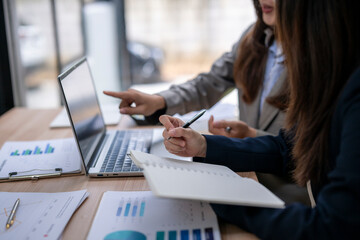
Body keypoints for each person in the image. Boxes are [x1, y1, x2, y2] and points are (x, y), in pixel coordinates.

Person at [159, 0, 360, 238]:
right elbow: (287, 147)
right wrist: (204, 145)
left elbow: (331, 227)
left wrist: (225, 200)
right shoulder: (335, 76)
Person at [105, 0, 309, 205]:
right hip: (242, 171)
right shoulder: (255, 37)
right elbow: (211, 82)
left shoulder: (318, 53)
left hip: (286, 187)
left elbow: (304, 146)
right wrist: (159, 101)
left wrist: (252, 135)